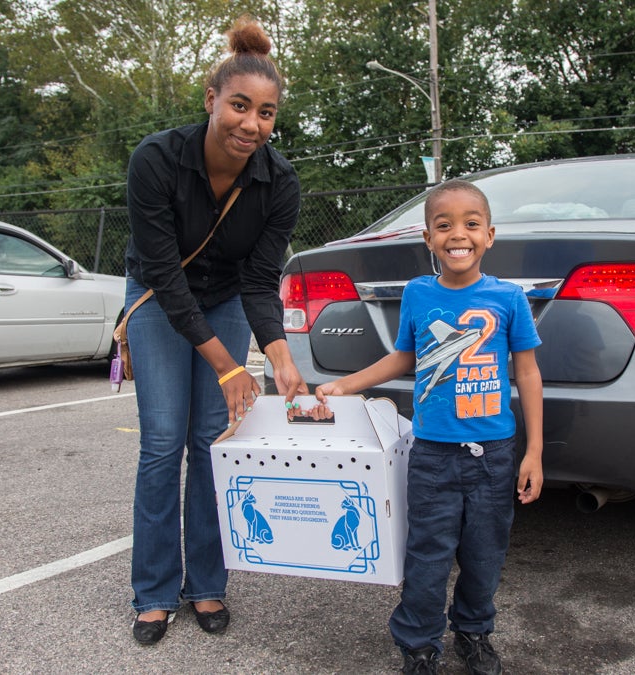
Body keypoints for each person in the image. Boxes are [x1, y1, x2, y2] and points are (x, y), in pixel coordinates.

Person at [309, 179, 544, 675]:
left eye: (471, 224)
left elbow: (527, 373)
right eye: (445, 226)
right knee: (428, 558)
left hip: (495, 454)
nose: (458, 235)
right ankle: (418, 645)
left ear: (490, 235)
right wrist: (345, 385)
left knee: (484, 557)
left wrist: (534, 453)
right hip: (434, 456)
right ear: (428, 238)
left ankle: (474, 633)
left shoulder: (508, 298)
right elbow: (404, 358)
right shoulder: (418, 294)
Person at [123, 16, 306, 646]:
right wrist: (228, 365)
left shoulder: (278, 182)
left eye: (266, 113)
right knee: (163, 441)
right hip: (156, 297)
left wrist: (278, 355)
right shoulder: (156, 160)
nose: (251, 125)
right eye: (238, 106)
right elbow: (166, 280)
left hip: (226, 298)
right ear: (211, 101)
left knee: (211, 441)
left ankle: (206, 583)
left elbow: (260, 281)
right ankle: (151, 590)